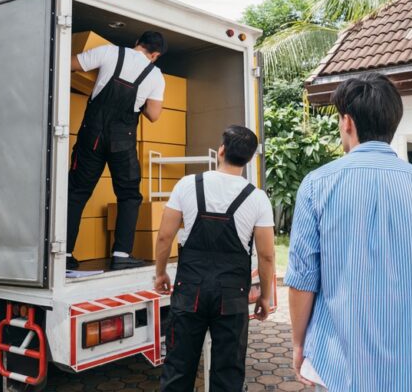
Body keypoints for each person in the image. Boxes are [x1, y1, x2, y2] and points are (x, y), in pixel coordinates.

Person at [285, 73, 412, 391]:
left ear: (347, 122)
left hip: (333, 360)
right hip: (407, 362)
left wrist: (299, 343)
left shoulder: (317, 184)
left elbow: (302, 277)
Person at [154, 125, 275, 392]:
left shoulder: (187, 185)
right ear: (250, 158)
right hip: (231, 296)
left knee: (177, 369)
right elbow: (266, 256)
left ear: (221, 150)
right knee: (228, 374)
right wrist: (265, 296)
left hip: (189, 291)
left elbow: (164, 236)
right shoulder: (257, 198)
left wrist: (160, 272)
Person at [66, 31, 167, 271]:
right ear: (155, 55)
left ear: (136, 43)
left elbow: (70, 64)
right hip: (123, 142)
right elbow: (153, 115)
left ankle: (66, 253)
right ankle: (121, 254)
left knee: (77, 192)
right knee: (129, 195)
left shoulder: (109, 52)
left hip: (92, 136)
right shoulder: (154, 75)